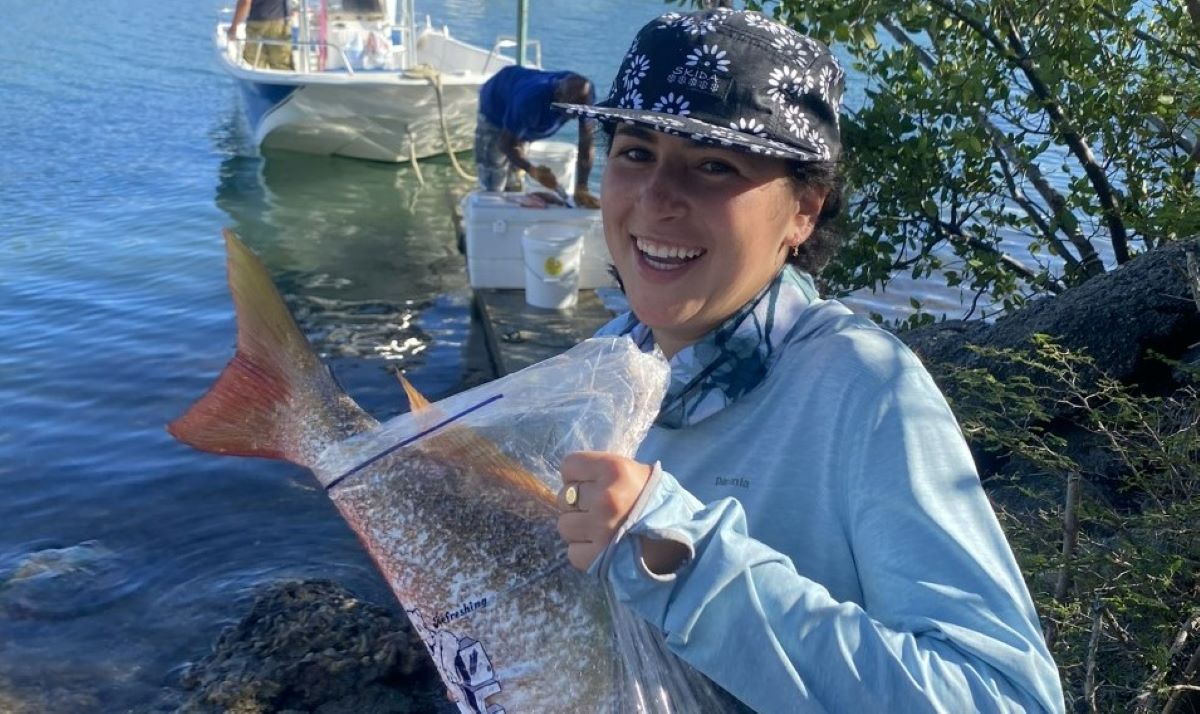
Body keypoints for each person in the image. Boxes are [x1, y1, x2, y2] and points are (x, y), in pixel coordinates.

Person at [553, 9, 1065, 713]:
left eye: (713, 164)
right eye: (635, 151)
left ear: (803, 211)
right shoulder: (600, 373)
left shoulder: (863, 390)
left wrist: (677, 557)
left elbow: (1003, 698)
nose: (656, 199)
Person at [474, 66, 601, 208]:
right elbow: (505, 143)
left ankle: (513, 217)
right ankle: (491, 215)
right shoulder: (530, 101)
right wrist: (532, 170)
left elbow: (586, 143)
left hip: (523, 112)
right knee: (494, 186)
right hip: (496, 105)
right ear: (558, 97)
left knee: (514, 182)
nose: (576, 116)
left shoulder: (585, 96)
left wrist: (582, 187)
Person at [227, 0, 294, 71]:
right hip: (280, 23)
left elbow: (245, 2)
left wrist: (233, 27)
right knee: (282, 65)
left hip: (257, 23)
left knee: (254, 65)